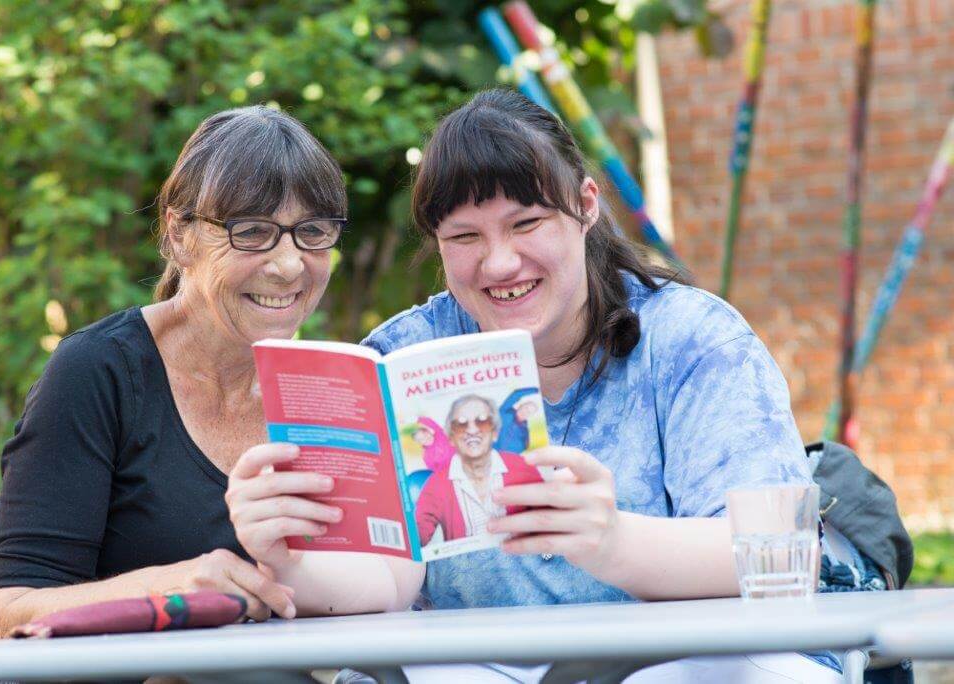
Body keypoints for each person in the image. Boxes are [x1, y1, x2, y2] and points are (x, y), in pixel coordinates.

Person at [226, 89, 842, 682]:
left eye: (527, 224)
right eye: (464, 238)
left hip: (676, 660)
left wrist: (614, 540)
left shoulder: (692, 339)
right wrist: (286, 555)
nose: (499, 264)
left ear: (587, 206)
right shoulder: (397, 361)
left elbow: (779, 551)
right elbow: (384, 586)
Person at [0, 105, 347, 642]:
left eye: (313, 232)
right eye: (252, 232)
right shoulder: (98, 370)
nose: (290, 264)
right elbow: (10, 613)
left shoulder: (330, 392)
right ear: (179, 234)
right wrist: (171, 585)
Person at [415, 394, 543, 545]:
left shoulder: (522, 466)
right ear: (451, 438)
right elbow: (417, 538)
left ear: (495, 433)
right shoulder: (436, 484)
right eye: (461, 424)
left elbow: (549, 514)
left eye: (482, 421)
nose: (472, 430)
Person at [494, 387, 539, 453]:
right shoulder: (504, 413)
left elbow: (526, 447)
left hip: (511, 459)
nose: (526, 411)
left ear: (530, 416)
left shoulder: (525, 429)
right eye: (526, 407)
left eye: (529, 412)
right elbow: (516, 394)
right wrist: (536, 390)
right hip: (494, 455)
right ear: (520, 405)